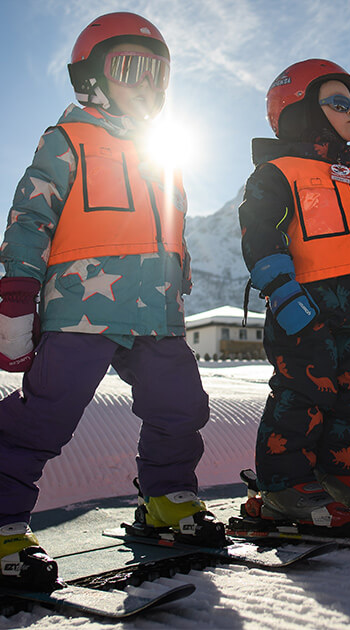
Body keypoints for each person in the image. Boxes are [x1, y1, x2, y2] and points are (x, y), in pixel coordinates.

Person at [0, 12, 222, 591]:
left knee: (181, 406)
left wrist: (178, 281)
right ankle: (1, 523)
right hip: (82, 311)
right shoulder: (68, 139)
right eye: (131, 68)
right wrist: (18, 294)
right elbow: (29, 219)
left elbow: (170, 232)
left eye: (159, 73)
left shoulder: (165, 155)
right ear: (93, 78)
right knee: (46, 416)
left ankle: (167, 501)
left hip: (156, 316)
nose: (149, 84)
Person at [238, 59, 350, 529]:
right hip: (304, 303)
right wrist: (282, 291)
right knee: (305, 390)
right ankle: (283, 485)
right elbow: (259, 234)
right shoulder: (277, 172)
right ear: (301, 112)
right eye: (338, 103)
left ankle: (341, 472)